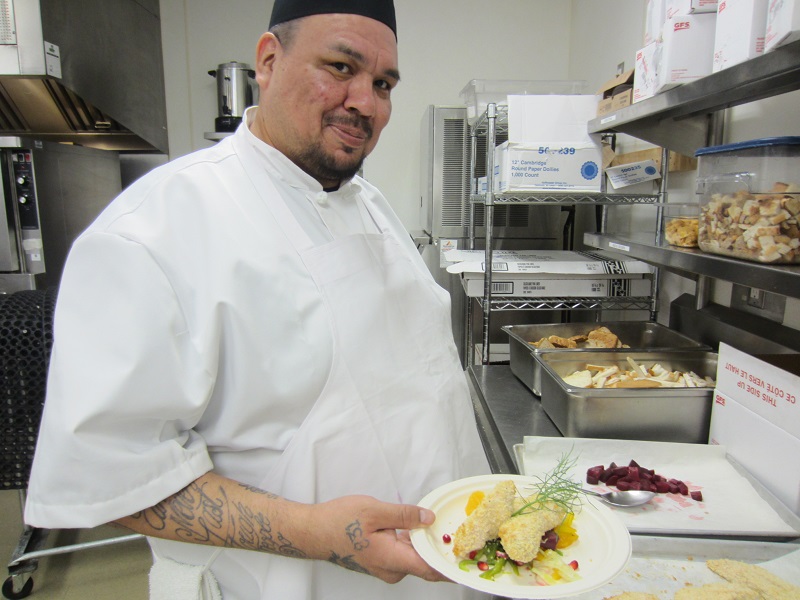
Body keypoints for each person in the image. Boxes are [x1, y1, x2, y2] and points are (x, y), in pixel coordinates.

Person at [24, 1, 491, 598]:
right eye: (340, 68)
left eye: (383, 84)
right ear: (268, 60)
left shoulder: (370, 204)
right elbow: (112, 476)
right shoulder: (154, 231)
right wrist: (315, 532)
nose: (366, 103)